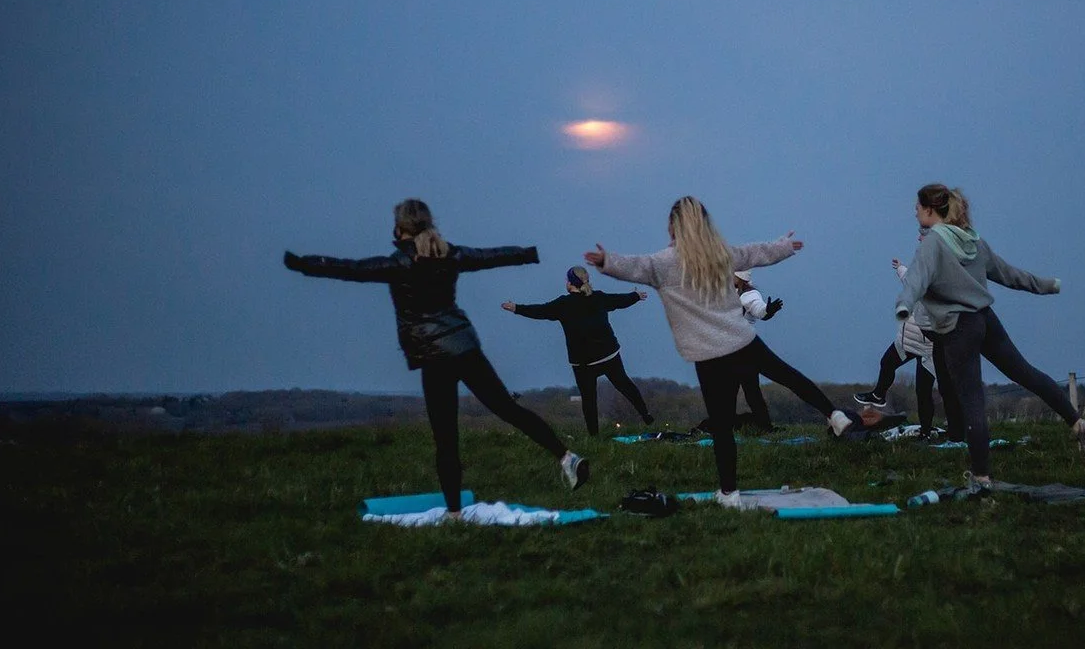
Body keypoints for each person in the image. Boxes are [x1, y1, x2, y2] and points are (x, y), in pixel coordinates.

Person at [283, 199, 589, 519]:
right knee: (508, 408)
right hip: (465, 346)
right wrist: (527, 254)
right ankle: (567, 457)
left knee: (445, 436)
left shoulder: (399, 263)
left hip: (434, 355)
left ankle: (455, 514)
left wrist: (303, 264)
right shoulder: (450, 253)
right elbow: (489, 256)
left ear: (400, 228)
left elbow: (351, 269)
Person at [584, 196, 853, 507]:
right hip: (741, 340)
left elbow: (634, 267)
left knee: (722, 426)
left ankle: (729, 494)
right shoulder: (720, 255)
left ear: (673, 228)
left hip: (709, 356)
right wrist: (783, 247)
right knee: (788, 376)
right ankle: (834, 414)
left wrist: (606, 262)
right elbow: (754, 253)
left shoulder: (663, 263)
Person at [895, 184, 1085, 493]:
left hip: (957, 329)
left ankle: (981, 480)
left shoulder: (932, 243)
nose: (913, 211)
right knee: (1027, 374)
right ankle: (1079, 424)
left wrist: (903, 306)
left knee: (972, 403)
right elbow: (1010, 274)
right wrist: (1048, 285)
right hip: (985, 320)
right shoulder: (973, 241)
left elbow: (916, 278)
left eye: (917, 206)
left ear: (929, 210)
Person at [500, 266, 656, 436]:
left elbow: (540, 311)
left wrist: (516, 308)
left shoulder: (563, 304)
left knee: (589, 399)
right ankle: (645, 414)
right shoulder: (598, 298)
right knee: (625, 385)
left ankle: (594, 436)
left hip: (583, 362)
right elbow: (619, 300)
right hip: (608, 354)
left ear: (570, 284)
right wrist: (635, 296)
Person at [852, 249, 963, 439]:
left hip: (928, 348)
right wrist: (900, 267)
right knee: (886, 363)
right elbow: (907, 277)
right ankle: (879, 394)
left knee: (923, 392)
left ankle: (926, 432)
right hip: (906, 340)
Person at [729, 269, 784, 431]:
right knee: (732, 390)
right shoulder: (731, 291)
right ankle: (729, 423)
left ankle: (765, 426)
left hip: (744, 350)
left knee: (750, 390)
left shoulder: (749, 295)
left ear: (739, 277)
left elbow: (759, 310)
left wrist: (768, 310)